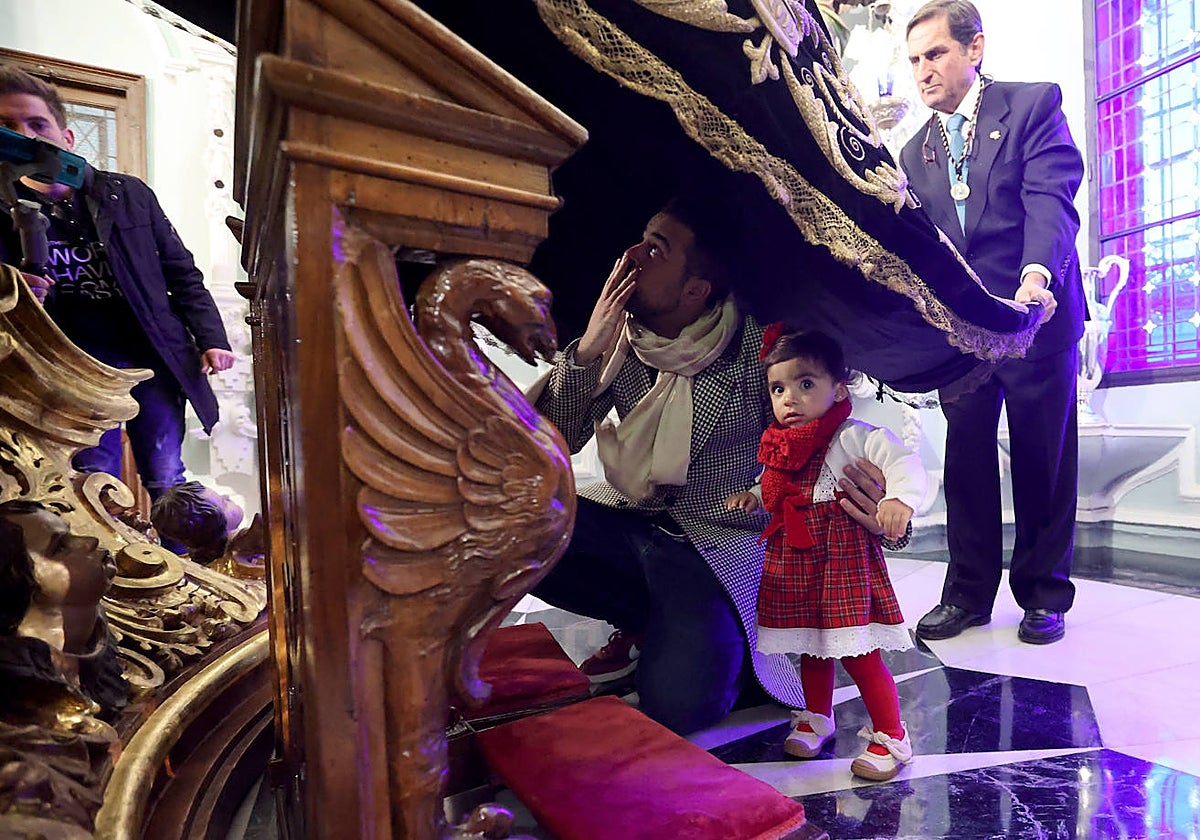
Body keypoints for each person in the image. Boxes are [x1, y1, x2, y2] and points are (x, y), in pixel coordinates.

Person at [529, 197, 902, 735]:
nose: (631, 255)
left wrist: (876, 502)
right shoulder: (619, 336)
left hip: (716, 543)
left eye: (655, 249)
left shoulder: (760, 346)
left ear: (695, 291)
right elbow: (550, 441)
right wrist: (587, 351)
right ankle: (647, 621)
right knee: (517, 522)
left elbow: (819, 436)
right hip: (633, 523)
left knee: (681, 706)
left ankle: (711, 637)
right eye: (642, 239)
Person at [898, 0, 1085, 645]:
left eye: (935, 53)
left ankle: (1043, 594)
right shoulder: (912, 152)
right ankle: (968, 594)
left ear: (974, 49)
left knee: (1042, 459)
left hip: (1037, 317)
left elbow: (1050, 199)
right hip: (964, 339)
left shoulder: (1031, 105)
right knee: (966, 462)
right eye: (914, 59)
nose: (923, 71)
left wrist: (1037, 276)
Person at [0, 65, 234, 501]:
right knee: (91, 481)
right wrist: (15, 289)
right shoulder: (2, 208)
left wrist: (211, 337)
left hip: (153, 355)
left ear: (67, 138)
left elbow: (181, 271)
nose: (25, 136)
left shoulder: (129, 194)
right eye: (7, 126)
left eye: (37, 124)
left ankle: (179, 544)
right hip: (72, 367)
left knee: (167, 475)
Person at [725, 327, 924, 781]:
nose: (789, 399)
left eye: (805, 383)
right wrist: (755, 495)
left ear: (838, 388)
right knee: (810, 647)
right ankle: (817, 715)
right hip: (796, 558)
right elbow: (778, 482)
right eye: (778, 388)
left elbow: (901, 460)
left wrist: (900, 499)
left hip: (840, 558)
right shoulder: (781, 444)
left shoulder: (852, 436)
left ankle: (892, 734)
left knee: (858, 652)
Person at [0, 499, 125, 716]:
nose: (91, 541)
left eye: (71, 533)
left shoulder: (103, 642)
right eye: (60, 547)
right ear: (16, 577)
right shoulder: (19, 680)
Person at [150, 481, 265, 578]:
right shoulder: (243, 565)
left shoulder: (190, 567)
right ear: (215, 523)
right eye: (223, 502)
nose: (227, 496)